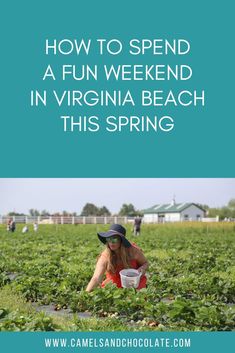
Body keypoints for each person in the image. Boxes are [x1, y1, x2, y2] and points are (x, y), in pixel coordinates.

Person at [86, 224, 148, 292]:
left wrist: (141, 269)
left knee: (138, 298)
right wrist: (86, 294)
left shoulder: (133, 251)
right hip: (114, 284)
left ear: (121, 241)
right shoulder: (105, 256)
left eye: (114, 239)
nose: (111, 242)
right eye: (109, 239)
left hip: (133, 282)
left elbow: (145, 263)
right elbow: (96, 278)